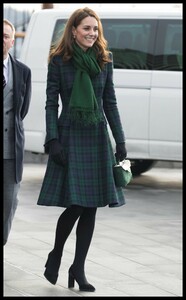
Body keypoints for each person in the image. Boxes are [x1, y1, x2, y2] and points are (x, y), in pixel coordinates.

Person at [37, 7, 127, 292]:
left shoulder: (104, 59)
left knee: (91, 207)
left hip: (98, 136)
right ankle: (56, 253)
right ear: (74, 31)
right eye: (86, 28)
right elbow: (52, 102)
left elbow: (110, 102)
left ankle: (79, 267)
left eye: (95, 29)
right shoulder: (59, 60)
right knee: (76, 203)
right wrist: (53, 139)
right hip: (70, 136)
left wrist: (121, 140)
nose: (92, 33)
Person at [3, 19, 31, 246]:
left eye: (5, 36)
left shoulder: (23, 72)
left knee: (8, 203)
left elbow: (22, 111)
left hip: (11, 151)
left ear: (12, 41)